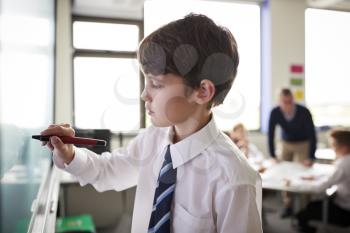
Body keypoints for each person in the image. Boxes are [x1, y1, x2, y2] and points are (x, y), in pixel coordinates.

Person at [41, 14, 262, 233]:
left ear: (202, 91)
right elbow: (108, 171)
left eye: (155, 83)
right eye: (145, 80)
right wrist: (69, 154)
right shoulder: (152, 138)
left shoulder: (235, 180)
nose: (144, 94)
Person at [268, 88, 317, 217]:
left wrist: (311, 157)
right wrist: (272, 155)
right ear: (279, 101)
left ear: (293, 99)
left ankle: (307, 208)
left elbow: (313, 135)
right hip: (286, 144)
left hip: (303, 143)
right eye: (284, 102)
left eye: (290, 101)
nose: (288, 104)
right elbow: (271, 134)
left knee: (304, 173)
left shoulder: (304, 112)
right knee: (285, 174)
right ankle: (288, 205)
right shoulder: (275, 112)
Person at [296, 129, 350, 233]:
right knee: (312, 205)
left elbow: (321, 188)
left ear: (344, 147)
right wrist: (316, 177)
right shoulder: (346, 160)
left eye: (333, 145)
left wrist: (297, 185)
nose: (332, 148)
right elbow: (334, 176)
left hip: (345, 210)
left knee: (302, 215)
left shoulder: (344, 163)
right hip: (344, 201)